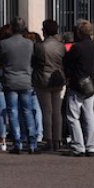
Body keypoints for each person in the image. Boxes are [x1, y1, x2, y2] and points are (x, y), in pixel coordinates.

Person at [0, 17, 38, 154]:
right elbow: (35, 60)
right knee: (28, 111)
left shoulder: (4, 44)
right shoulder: (30, 44)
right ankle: (32, 143)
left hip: (10, 80)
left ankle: (17, 142)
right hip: (26, 80)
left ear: (12, 28)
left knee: (12, 112)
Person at [63, 19, 94, 155]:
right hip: (91, 84)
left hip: (77, 84)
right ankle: (90, 145)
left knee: (73, 116)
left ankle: (79, 145)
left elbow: (68, 64)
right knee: (89, 115)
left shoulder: (76, 47)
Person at [33, 19, 66, 150]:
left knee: (47, 111)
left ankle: (49, 139)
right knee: (57, 111)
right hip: (57, 78)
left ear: (45, 30)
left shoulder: (40, 46)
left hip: (43, 79)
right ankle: (57, 139)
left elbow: (35, 62)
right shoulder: (61, 46)